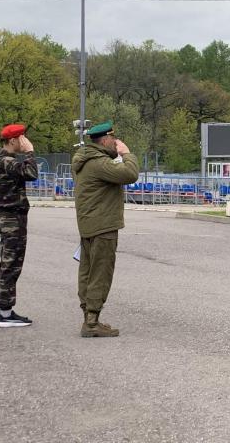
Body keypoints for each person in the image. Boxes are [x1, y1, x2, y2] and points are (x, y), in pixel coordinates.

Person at [72, 121, 139, 337]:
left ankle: (89, 317)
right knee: (100, 273)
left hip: (89, 225)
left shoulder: (86, 160)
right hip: (103, 226)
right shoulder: (99, 163)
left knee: (88, 272)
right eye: (113, 139)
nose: (116, 142)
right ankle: (92, 322)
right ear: (105, 140)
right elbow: (130, 174)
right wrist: (127, 154)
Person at [0, 123, 38, 327]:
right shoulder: (6, 161)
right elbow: (31, 173)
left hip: (9, 217)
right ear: (12, 141)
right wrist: (30, 152)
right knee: (11, 264)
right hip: (12, 219)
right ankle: (4, 313)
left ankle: (4, 310)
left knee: (9, 263)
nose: (24, 141)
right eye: (21, 138)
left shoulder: (2, 161)